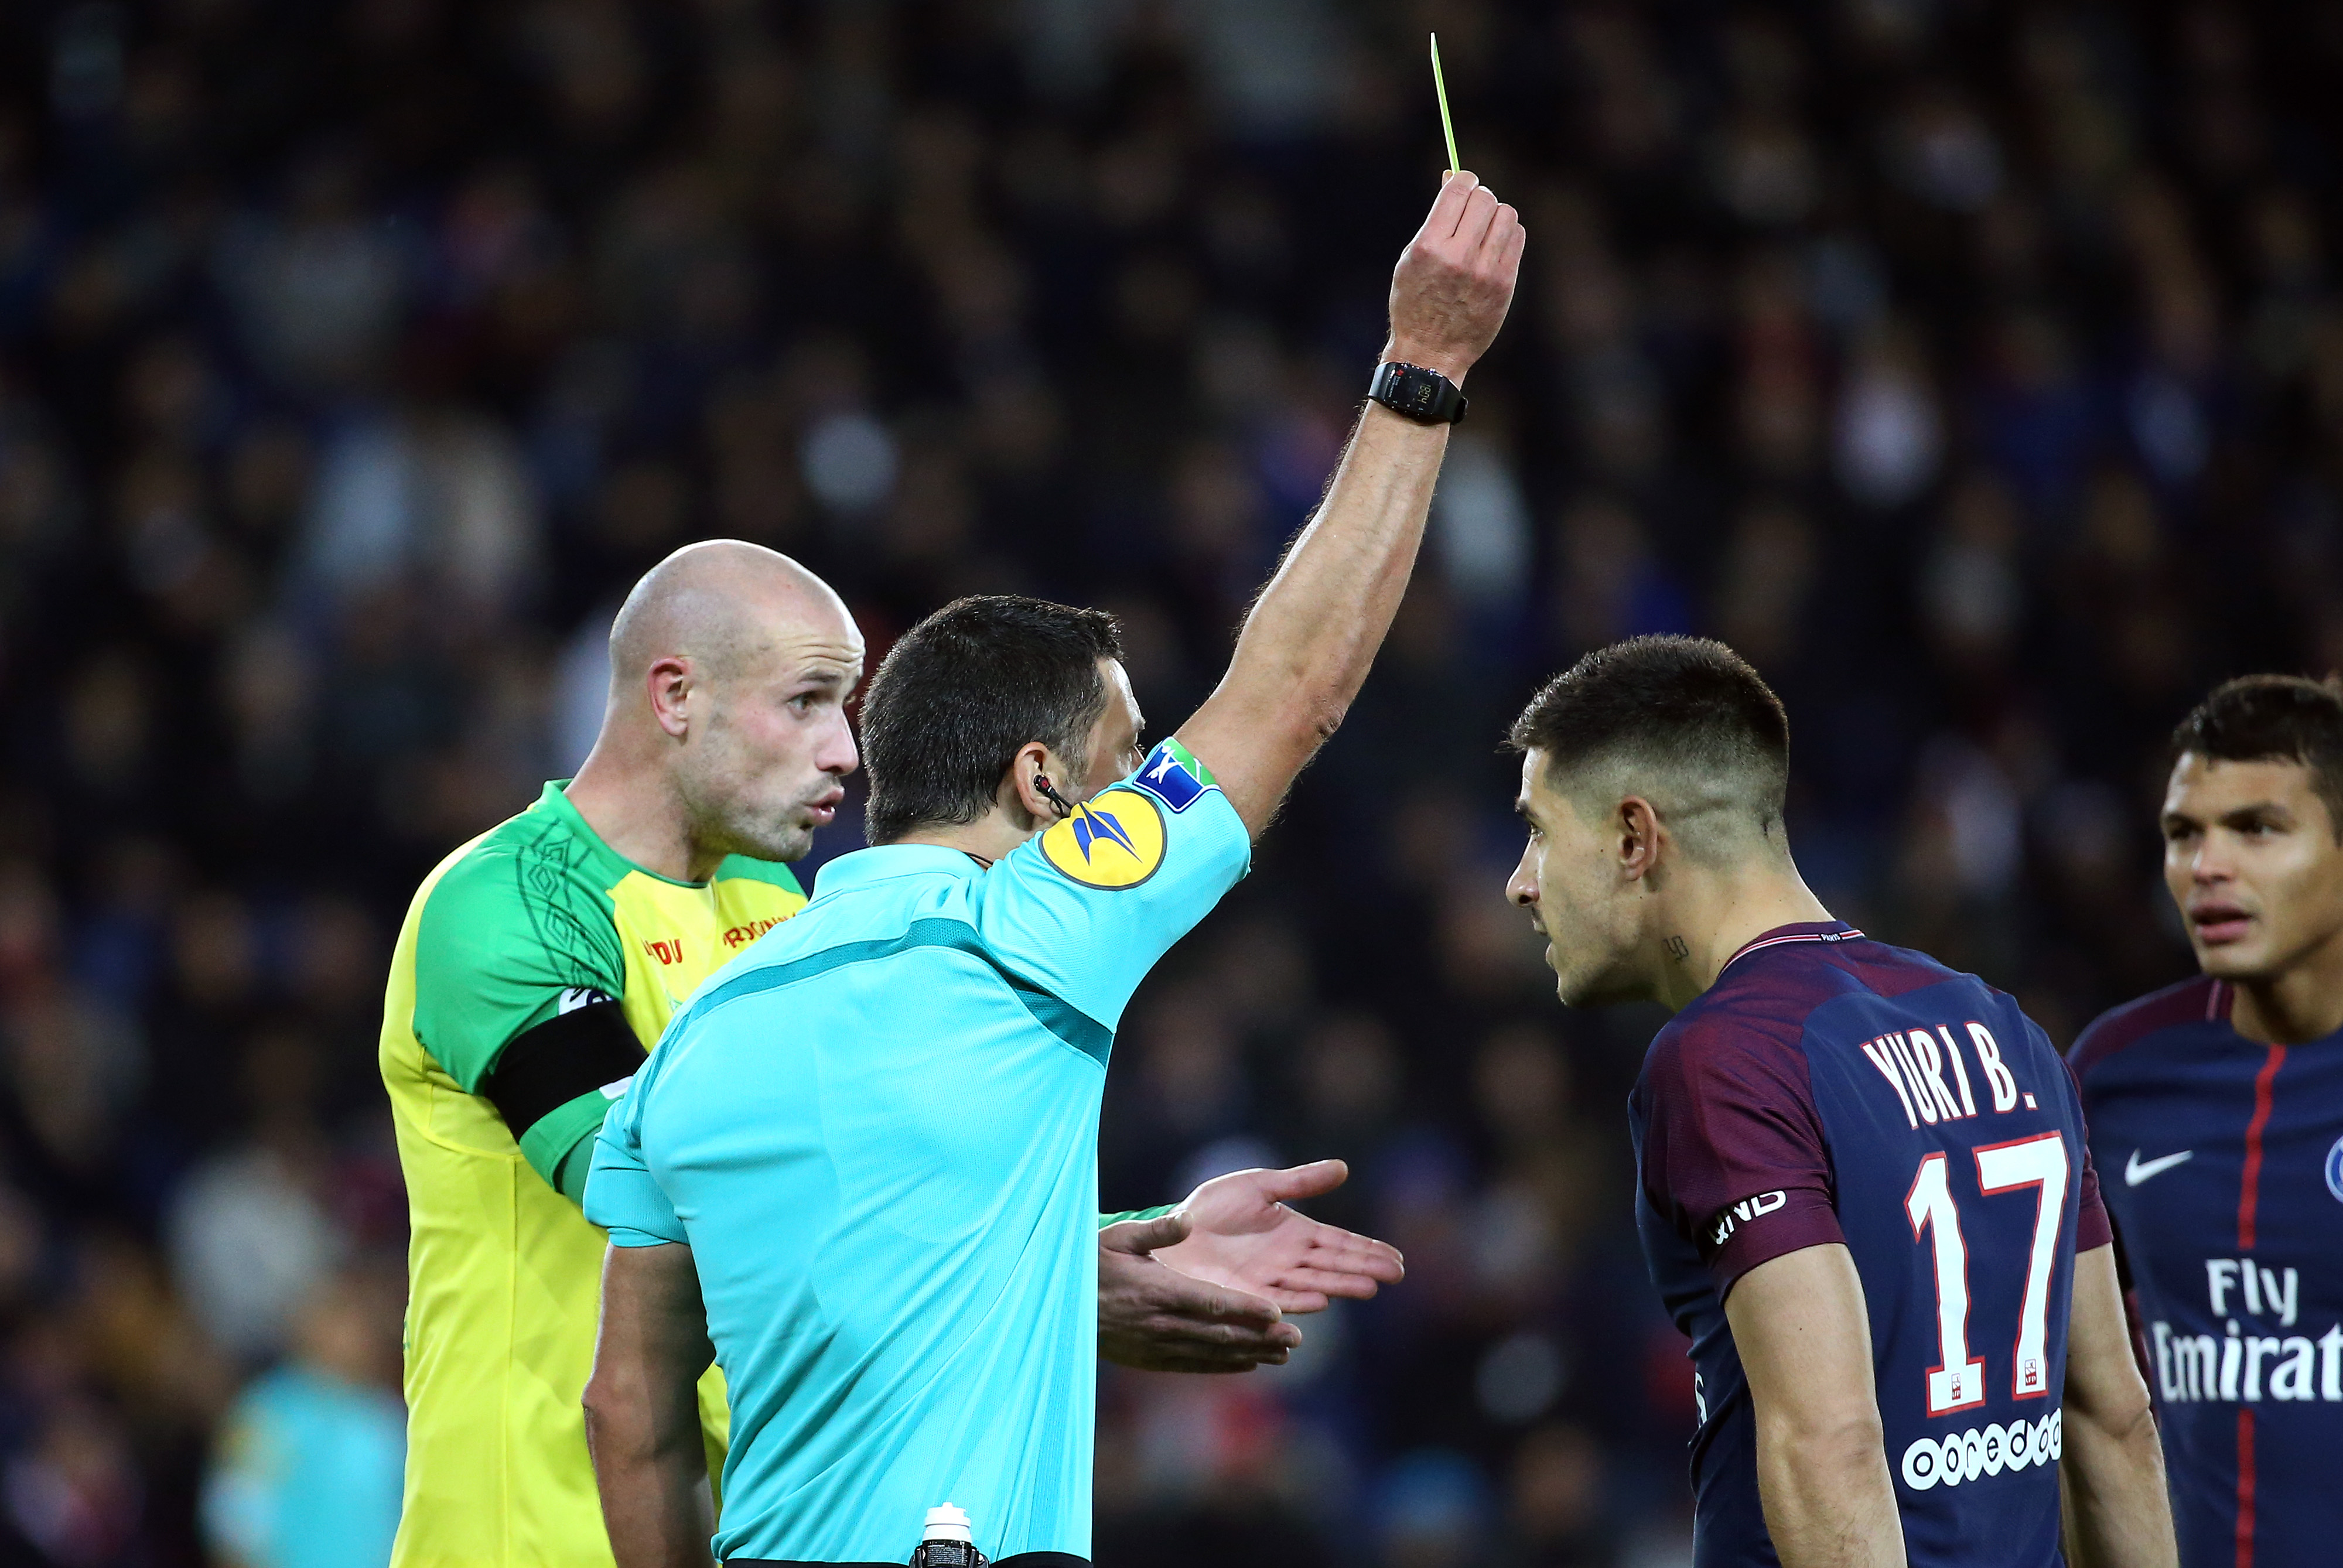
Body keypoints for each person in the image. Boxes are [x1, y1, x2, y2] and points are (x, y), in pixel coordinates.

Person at [578, 170, 1522, 1567]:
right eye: (1125, 757)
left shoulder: (695, 1040)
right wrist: (1424, 367)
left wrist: (1102, 1245)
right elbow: (1291, 691)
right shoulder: (1024, 929)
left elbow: (629, 1406)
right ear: (1042, 784)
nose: (1146, 785)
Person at [380, 541, 1412, 1568]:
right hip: (524, 1533)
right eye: (807, 702)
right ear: (675, 694)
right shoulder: (505, 901)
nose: (843, 751)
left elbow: (856, 1182)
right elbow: (671, 1178)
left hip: (701, 1524)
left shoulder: (770, 907)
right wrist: (1059, 1277)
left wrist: (1124, 1239)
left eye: (850, 707)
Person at [1500, 636, 2175, 1568]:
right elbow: (2112, 1416)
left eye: (1538, 829)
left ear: (1633, 837)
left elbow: (1831, 1445)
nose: (1521, 882)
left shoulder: (1722, 1060)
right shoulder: (2006, 1028)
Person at [2069, 674, 2343, 1568]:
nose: (2207, 867)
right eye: (2184, 833)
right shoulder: (2114, 1076)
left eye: (2257, 828)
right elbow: (2069, 1393)